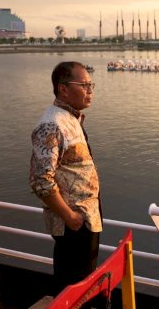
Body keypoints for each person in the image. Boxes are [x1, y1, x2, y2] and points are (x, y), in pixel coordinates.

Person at [29, 61, 102, 297]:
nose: (90, 90)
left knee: (84, 280)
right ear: (63, 89)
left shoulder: (72, 119)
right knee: (71, 283)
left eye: (91, 85)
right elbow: (41, 181)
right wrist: (69, 216)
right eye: (84, 85)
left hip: (86, 216)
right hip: (72, 223)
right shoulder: (51, 125)